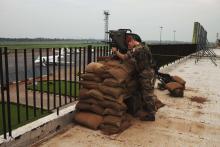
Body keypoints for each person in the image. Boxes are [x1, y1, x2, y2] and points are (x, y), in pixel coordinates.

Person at [111, 35, 157, 121]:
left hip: (145, 74)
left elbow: (124, 57)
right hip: (149, 71)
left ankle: (151, 115)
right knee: (147, 92)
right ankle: (149, 109)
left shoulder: (137, 49)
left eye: (129, 45)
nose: (128, 47)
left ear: (132, 41)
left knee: (148, 95)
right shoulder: (144, 45)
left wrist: (116, 51)